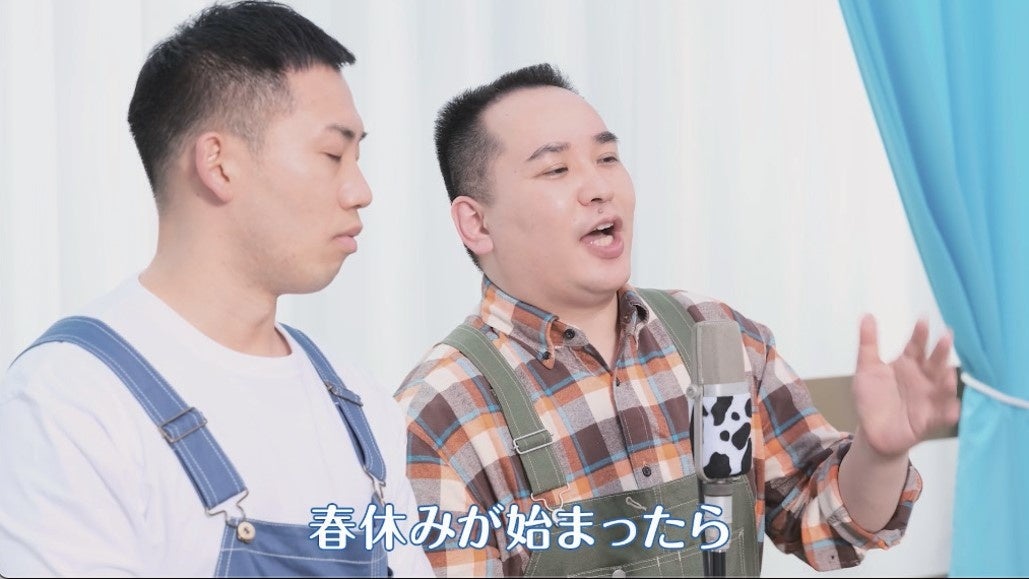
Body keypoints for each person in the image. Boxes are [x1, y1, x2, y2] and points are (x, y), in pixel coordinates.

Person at [393, 63, 961, 577]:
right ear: (476, 223)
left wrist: (881, 452)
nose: (600, 187)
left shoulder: (714, 335)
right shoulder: (441, 411)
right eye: (557, 168)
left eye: (607, 158)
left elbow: (824, 526)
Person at [0, 1, 432, 577]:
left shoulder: (359, 402)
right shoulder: (72, 400)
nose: (361, 191)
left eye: (358, 157)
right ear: (219, 164)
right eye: (332, 154)